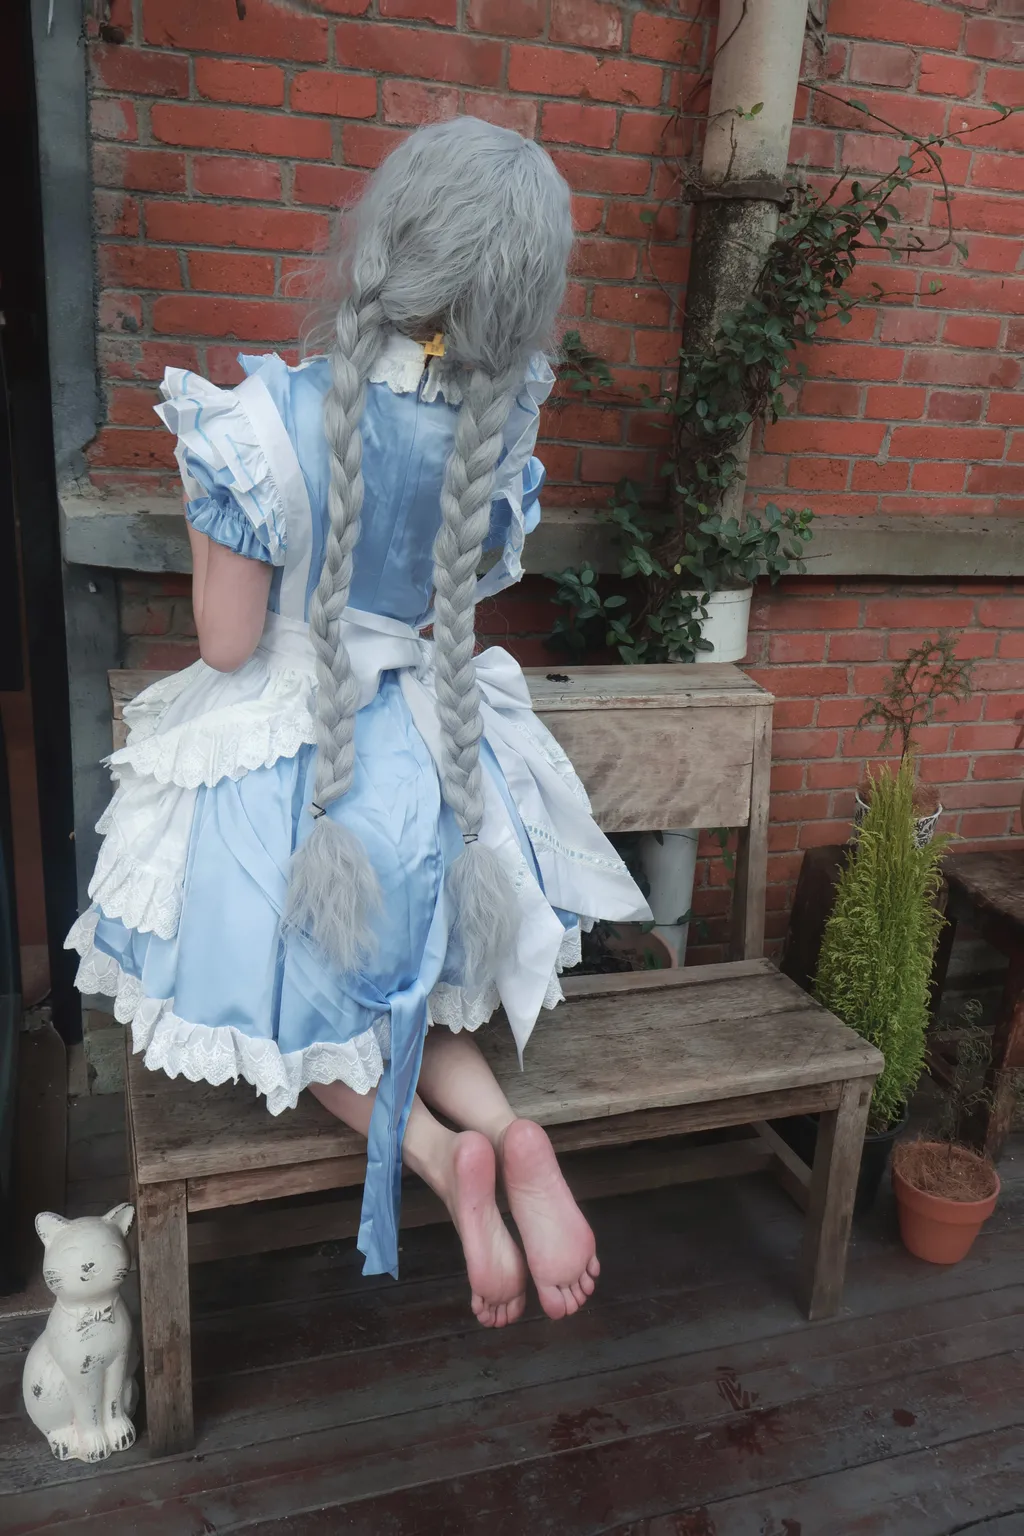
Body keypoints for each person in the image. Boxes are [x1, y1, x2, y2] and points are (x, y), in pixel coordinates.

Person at [67, 117, 650, 1328]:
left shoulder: (266, 421)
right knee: (410, 989)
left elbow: (228, 644)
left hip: (300, 764)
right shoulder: (494, 439)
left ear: (387, 237)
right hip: (422, 759)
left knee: (307, 1006)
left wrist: (210, 514)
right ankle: (508, 1131)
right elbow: (446, 605)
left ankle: (437, 1157)